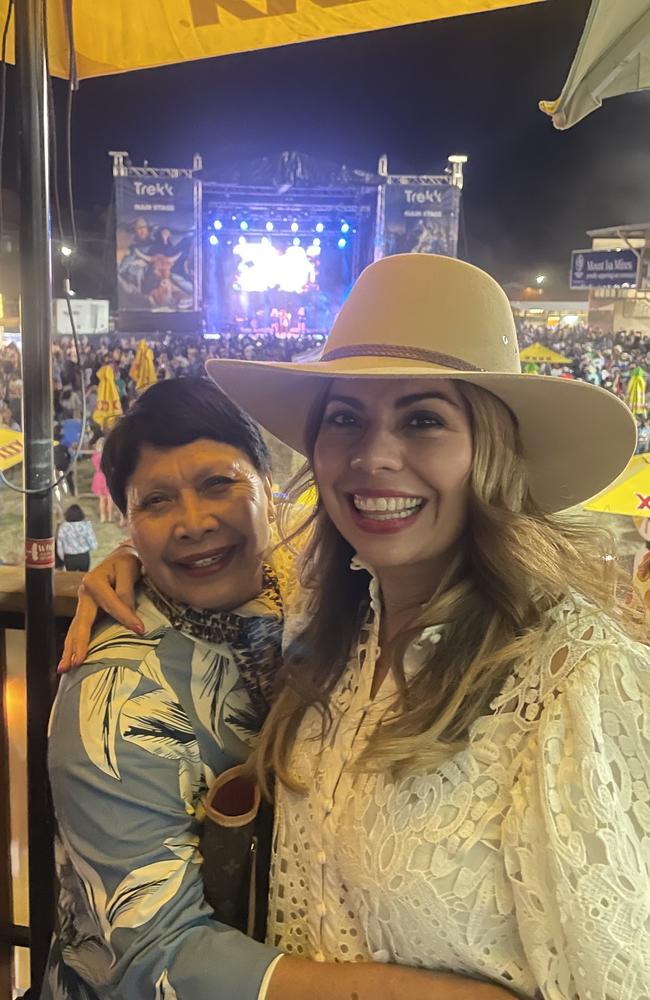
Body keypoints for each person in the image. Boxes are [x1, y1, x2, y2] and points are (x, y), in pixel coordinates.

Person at [60, 255, 649, 999]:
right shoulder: (336, 626)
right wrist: (131, 567)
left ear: (490, 453)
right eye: (346, 418)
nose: (374, 456)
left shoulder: (580, 683)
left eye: (423, 420)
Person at [48, 375, 505, 1000]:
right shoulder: (116, 699)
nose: (193, 523)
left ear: (271, 486)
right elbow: (158, 958)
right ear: (128, 519)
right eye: (157, 502)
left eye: (218, 484)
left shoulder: (320, 586)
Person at [55, 503, 97, 572]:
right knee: (83, 578)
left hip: (69, 557)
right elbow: (93, 543)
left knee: (71, 579)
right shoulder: (86, 525)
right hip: (83, 557)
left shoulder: (63, 527)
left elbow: (59, 546)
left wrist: (63, 558)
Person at [90, 437, 114, 523]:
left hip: (98, 477)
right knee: (110, 498)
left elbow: (94, 464)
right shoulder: (109, 456)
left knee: (101, 499)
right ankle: (110, 517)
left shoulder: (95, 456)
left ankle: (102, 517)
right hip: (108, 477)